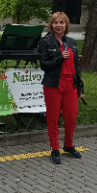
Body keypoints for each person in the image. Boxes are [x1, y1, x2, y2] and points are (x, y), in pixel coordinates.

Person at [38, 11, 84, 165]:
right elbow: (44, 65)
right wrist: (59, 58)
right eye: (55, 22)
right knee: (53, 117)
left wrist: (80, 87)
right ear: (51, 25)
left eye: (61, 22)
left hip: (70, 84)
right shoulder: (46, 42)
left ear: (66, 25)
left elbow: (77, 66)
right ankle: (55, 148)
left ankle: (68, 145)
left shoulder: (71, 42)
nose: (58, 25)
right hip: (54, 84)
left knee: (71, 116)